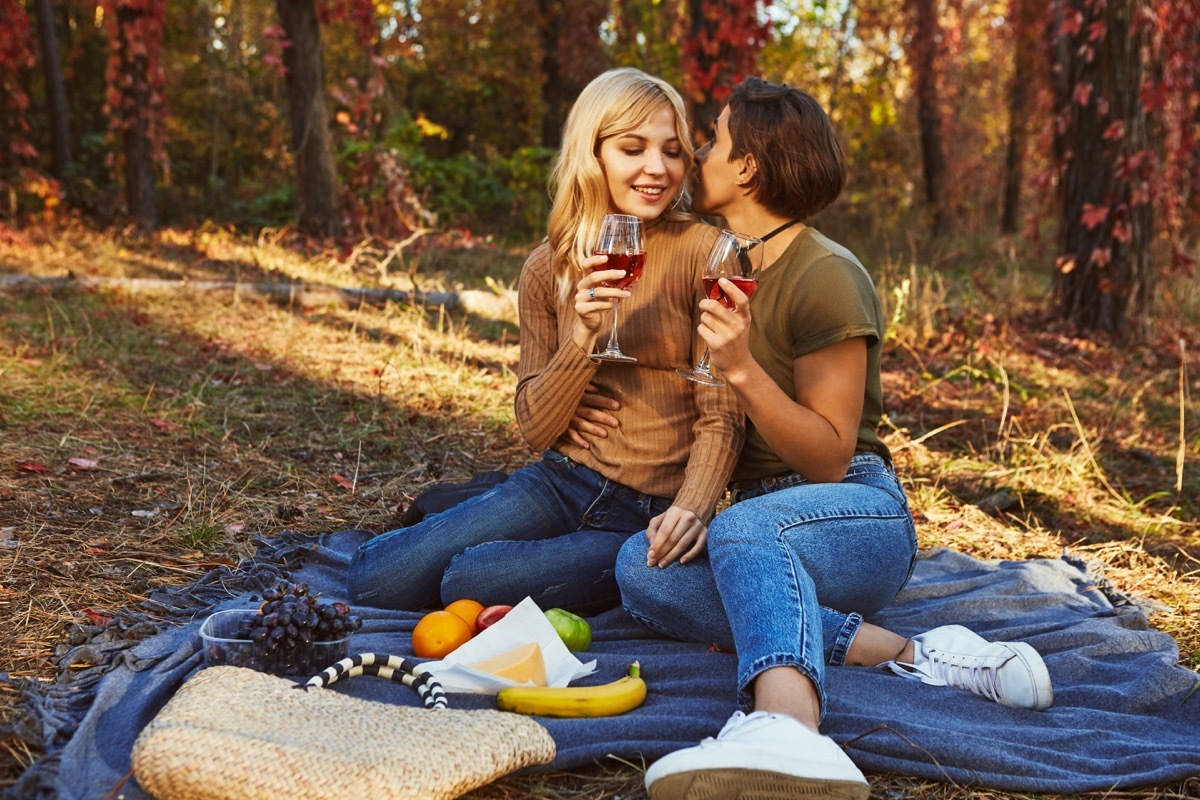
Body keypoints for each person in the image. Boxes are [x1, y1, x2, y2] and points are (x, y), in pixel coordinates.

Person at [590, 78, 1054, 799]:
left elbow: (829, 456)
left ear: (747, 167)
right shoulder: (725, 265)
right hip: (758, 522)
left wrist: (742, 368)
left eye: (712, 138)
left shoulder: (828, 275)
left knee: (745, 530)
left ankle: (787, 726)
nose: (698, 152)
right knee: (639, 569)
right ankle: (913, 653)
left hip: (853, 513)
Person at [346, 67, 742, 615]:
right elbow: (535, 427)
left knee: (471, 579)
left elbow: (722, 412)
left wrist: (695, 508)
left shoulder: (705, 250)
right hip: (562, 480)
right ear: (594, 154)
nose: (657, 168)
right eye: (633, 149)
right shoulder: (546, 267)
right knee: (374, 582)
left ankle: (485, 526)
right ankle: (472, 515)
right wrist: (581, 338)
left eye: (673, 151)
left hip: (647, 512)